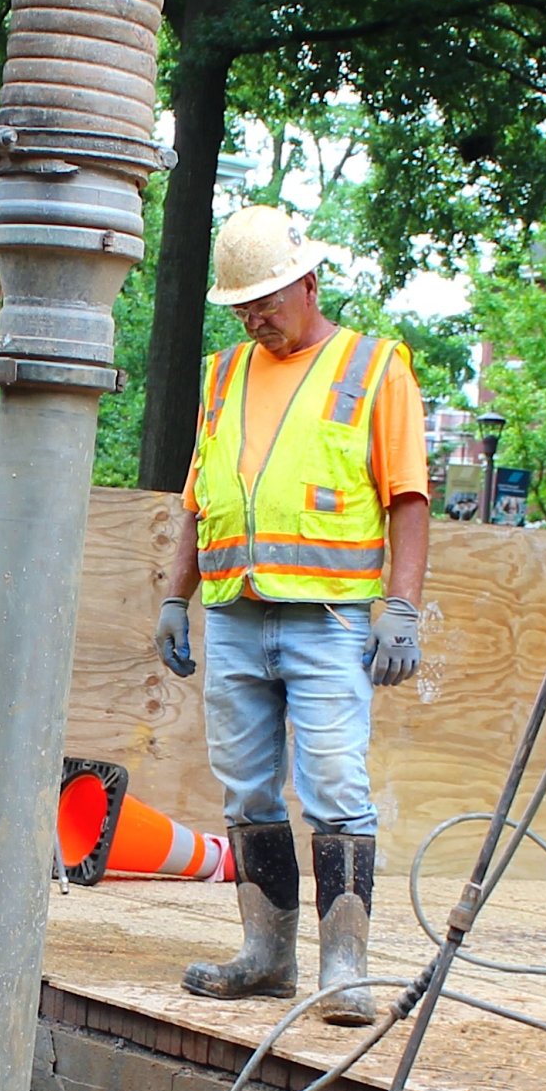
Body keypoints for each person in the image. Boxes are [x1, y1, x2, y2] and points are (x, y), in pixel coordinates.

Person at [155, 203, 432, 1024]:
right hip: (237, 613)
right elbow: (200, 498)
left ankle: (344, 969)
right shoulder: (223, 374)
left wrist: (402, 608)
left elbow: (408, 496)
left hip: (331, 619)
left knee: (337, 787)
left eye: (266, 303)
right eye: (242, 308)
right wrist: (178, 595)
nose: (255, 319)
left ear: (308, 283)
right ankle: (268, 956)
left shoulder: (374, 367)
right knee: (247, 789)